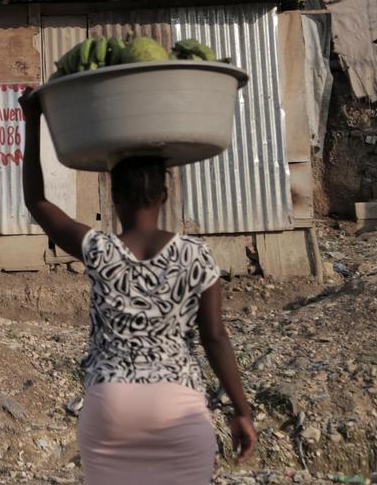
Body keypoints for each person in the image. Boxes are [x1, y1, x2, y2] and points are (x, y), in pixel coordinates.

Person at [19, 89, 256, 484]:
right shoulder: (197, 255)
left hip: (112, 403)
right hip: (177, 404)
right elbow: (215, 337)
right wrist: (242, 410)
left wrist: (32, 120)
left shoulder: (98, 248)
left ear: (114, 198)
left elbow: (36, 201)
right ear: (164, 195)